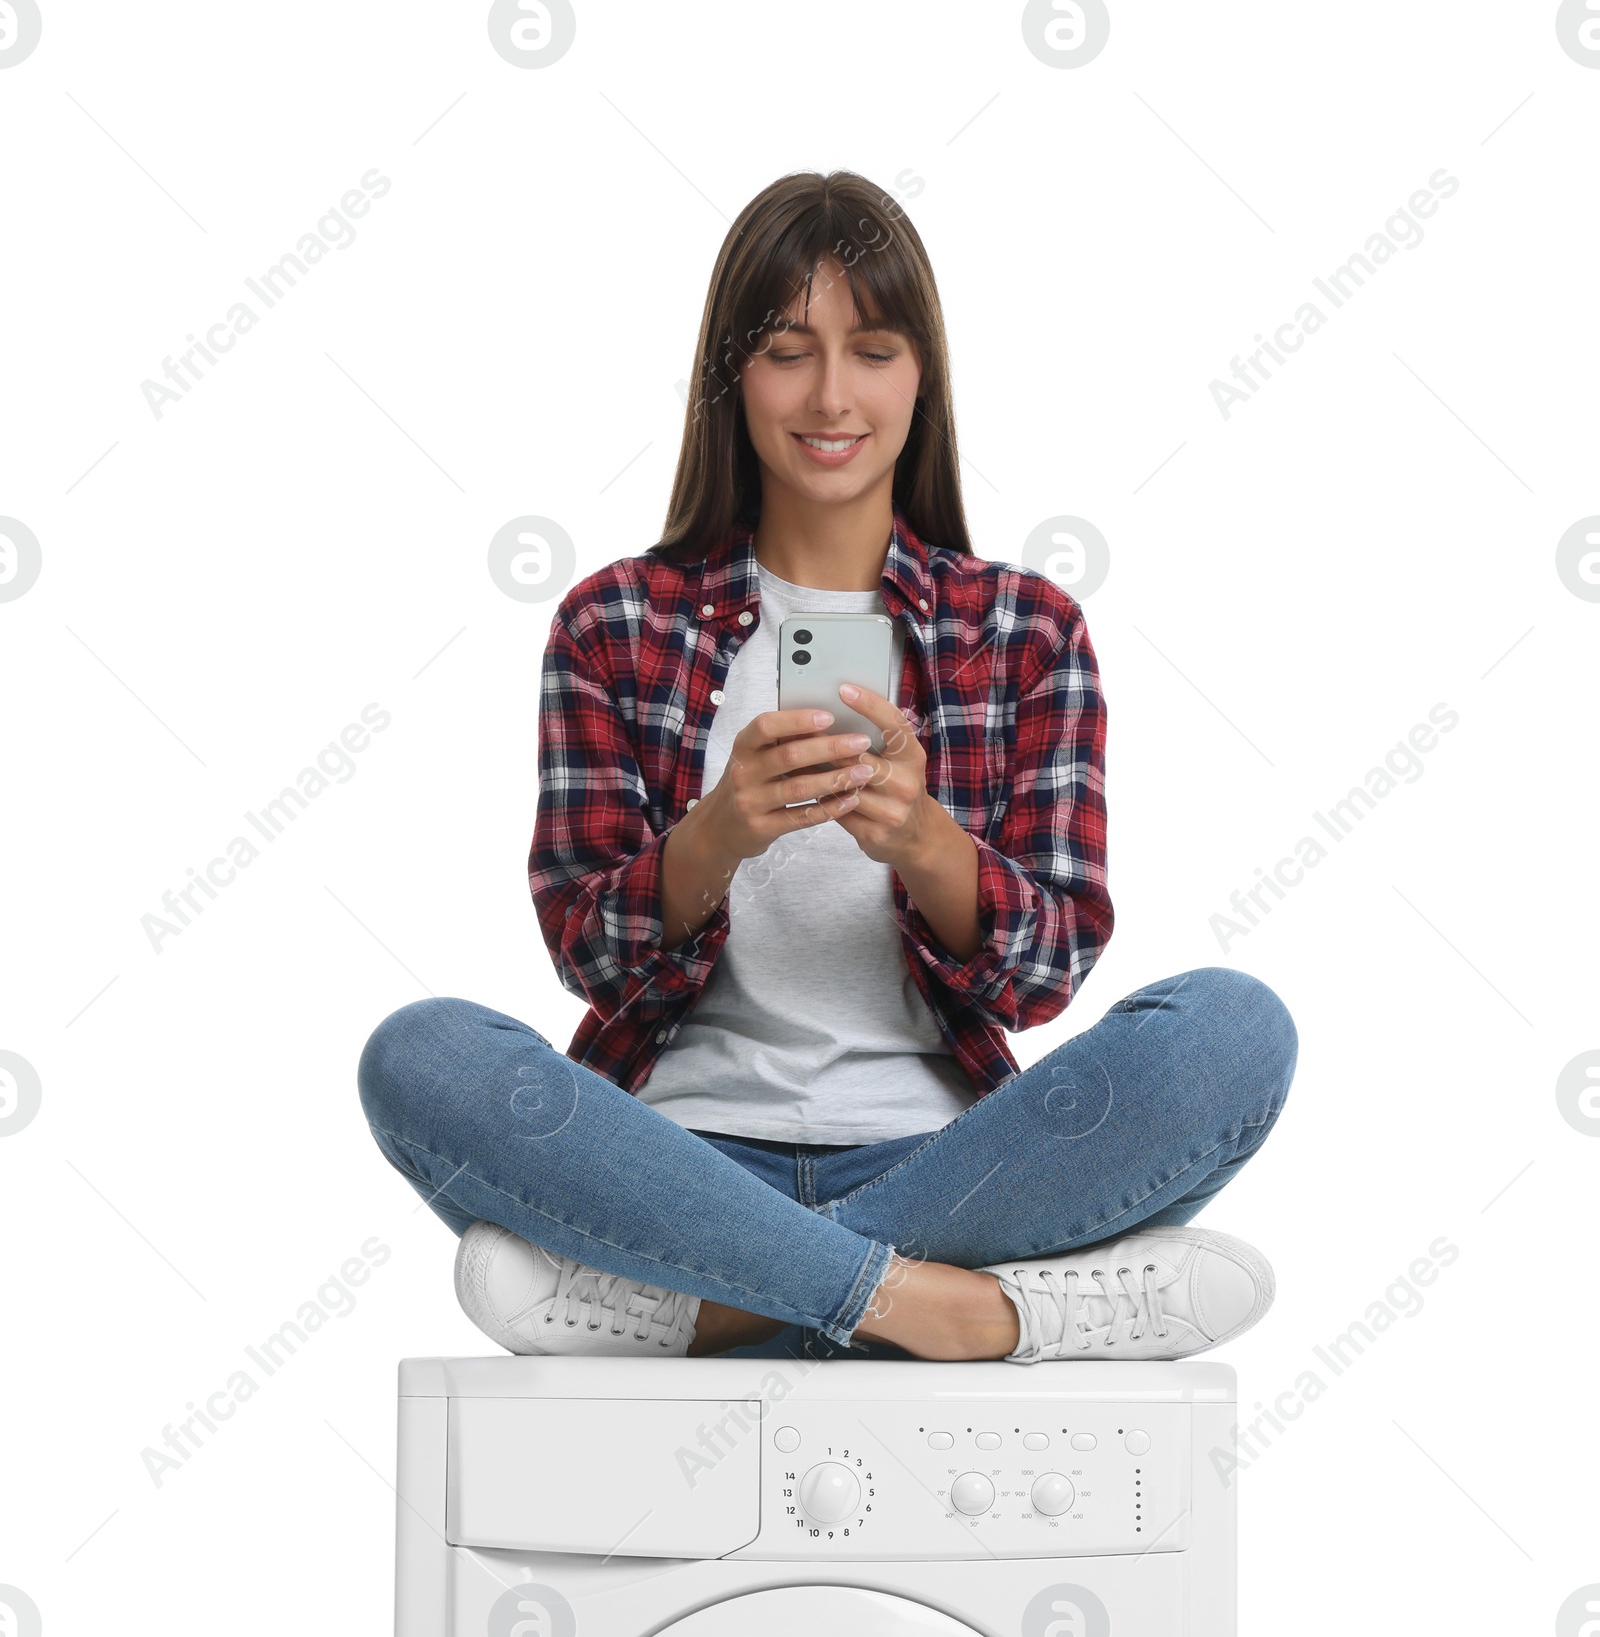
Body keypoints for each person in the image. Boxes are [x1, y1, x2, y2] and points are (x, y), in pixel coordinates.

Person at [358, 170, 1297, 1364]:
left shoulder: (1023, 630)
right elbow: (585, 957)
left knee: (1231, 1029)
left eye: (875, 349)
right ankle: (972, 1313)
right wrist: (719, 833)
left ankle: (700, 1307)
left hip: (955, 1165)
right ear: (732, 379)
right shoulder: (614, 624)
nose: (832, 395)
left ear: (923, 377)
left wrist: (926, 845)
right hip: (667, 1161)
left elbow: (1045, 974)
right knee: (421, 1052)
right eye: (788, 352)